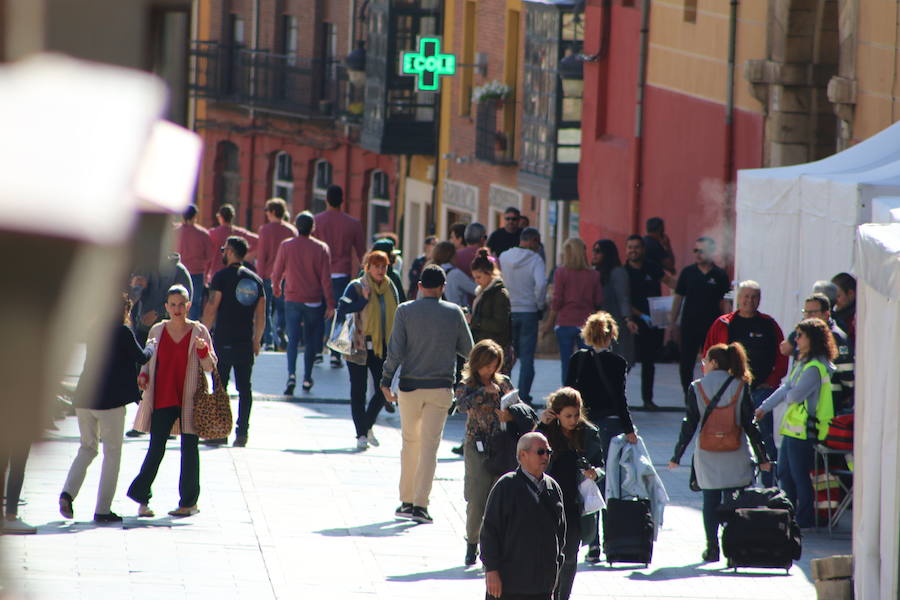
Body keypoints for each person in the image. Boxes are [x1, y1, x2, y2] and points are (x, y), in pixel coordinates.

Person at [380, 265, 474, 524]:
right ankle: (421, 505)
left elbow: (395, 351)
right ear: (443, 288)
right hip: (441, 387)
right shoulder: (454, 313)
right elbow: (470, 351)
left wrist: (386, 380)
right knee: (430, 447)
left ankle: (405, 500)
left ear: (419, 286)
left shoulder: (405, 311)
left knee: (410, 444)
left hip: (409, 387)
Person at [668, 342, 771, 562]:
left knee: (710, 501)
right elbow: (750, 425)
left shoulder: (696, 388)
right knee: (734, 502)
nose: (703, 365)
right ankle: (734, 550)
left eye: (705, 361)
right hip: (736, 452)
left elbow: (690, 425)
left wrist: (677, 455)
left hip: (708, 453)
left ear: (714, 363)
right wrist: (763, 457)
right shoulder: (741, 386)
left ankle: (712, 548)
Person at [59, 294, 156, 524]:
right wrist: (152, 346)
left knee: (87, 448)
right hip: (110, 402)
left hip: (85, 399)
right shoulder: (122, 332)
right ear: (125, 311)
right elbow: (141, 356)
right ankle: (102, 509)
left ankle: (67, 493)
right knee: (112, 454)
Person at [126, 285, 217, 517]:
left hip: (189, 399)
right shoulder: (156, 331)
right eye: (172, 305)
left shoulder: (199, 331)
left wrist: (203, 351)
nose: (177, 309)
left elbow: (210, 366)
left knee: (189, 449)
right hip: (163, 396)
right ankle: (141, 498)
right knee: (156, 448)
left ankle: (188, 503)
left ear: (188, 306)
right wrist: (143, 375)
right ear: (166, 307)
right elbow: (148, 359)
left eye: (181, 305)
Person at [703, 280, 788, 486]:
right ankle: (735, 483)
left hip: (760, 390)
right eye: (745, 297)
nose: (749, 301)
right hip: (730, 391)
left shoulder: (769, 324)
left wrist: (773, 381)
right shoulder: (723, 323)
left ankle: (770, 487)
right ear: (738, 299)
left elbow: (782, 355)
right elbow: (708, 353)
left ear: (760, 300)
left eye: (754, 297)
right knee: (730, 437)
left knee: (764, 437)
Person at [755, 319, 837, 529]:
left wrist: (787, 393)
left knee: (798, 475)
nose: (796, 339)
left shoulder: (815, 367)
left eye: (800, 335)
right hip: (794, 429)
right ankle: (789, 513)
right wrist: (765, 407)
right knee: (784, 473)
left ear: (812, 339)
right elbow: (787, 390)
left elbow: (793, 395)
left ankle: (803, 518)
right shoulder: (804, 363)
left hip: (805, 430)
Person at [535, 387, 605, 600]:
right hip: (547, 502)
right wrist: (541, 426)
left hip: (575, 503)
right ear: (556, 413)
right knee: (548, 555)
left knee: (571, 556)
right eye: (568, 416)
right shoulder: (546, 432)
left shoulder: (588, 432)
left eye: (576, 414)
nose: (573, 420)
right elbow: (526, 456)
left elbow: (600, 465)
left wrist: (595, 473)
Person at [480, 431, 566, 600]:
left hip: (543, 585)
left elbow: (560, 534)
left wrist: (556, 570)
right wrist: (491, 570)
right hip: (509, 585)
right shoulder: (506, 485)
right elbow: (490, 531)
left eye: (548, 452)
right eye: (540, 452)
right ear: (523, 455)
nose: (545, 456)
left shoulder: (553, 487)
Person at [454, 340, 514, 565]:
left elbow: (517, 406)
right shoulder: (467, 384)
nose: (490, 370)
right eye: (486, 365)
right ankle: (472, 543)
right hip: (476, 445)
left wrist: (510, 414)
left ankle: (496, 547)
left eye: (494, 365)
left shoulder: (504, 382)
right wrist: (482, 392)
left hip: (502, 445)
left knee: (500, 498)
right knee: (477, 498)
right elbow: (461, 405)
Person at [202, 236, 265, 447]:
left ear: (229, 251)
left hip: (224, 339)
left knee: (220, 386)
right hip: (245, 340)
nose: (222, 253)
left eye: (223, 250)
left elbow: (211, 309)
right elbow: (261, 315)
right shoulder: (256, 281)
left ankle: (220, 431)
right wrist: (257, 340)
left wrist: (201, 334)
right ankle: (242, 433)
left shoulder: (220, 277)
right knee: (245, 388)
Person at [335, 250, 400, 450]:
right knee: (358, 391)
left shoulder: (390, 288)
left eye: (384, 266)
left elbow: (399, 312)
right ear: (368, 267)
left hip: (383, 348)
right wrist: (363, 300)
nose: (381, 270)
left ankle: (366, 425)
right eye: (377, 266)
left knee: (384, 390)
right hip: (358, 347)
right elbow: (342, 308)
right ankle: (361, 434)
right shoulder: (356, 286)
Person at [272, 211, 335, 394]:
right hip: (314, 300)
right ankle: (307, 377)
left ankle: (291, 374)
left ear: (296, 226)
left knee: (292, 339)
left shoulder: (286, 246)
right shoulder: (321, 248)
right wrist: (330, 303)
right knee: (310, 341)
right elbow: (326, 279)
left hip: (292, 298)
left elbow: (277, 271)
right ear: (313, 228)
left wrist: (276, 287)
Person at [667, 237, 731, 398]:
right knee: (686, 362)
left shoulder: (719, 275)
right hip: (689, 325)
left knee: (714, 361)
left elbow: (725, 302)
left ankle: (711, 394)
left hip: (712, 326)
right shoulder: (688, 273)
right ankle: (688, 395)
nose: (697, 254)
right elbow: (678, 298)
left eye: (701, 251)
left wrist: (728, 324)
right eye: (695, 250)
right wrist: (672, 322)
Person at [314, 185, 365, 368]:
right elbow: (361, 253)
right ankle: (335, 352)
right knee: (340, 313)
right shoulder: (353, 224)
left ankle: (318, 351)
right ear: (342, 200)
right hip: (341, 273)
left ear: (326, 199)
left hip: (319, 274)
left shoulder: (316, 221)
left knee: (319, 312)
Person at [623, 235, 677, 409]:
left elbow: (671, 282)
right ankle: (618, 400)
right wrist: (637, 315)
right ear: (626, 250)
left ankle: (648, 400)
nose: (633, 250)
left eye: (637, 247)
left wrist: (677, 299)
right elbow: (622, 300)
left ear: (643, 249)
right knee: (626, 363)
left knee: (649, 363)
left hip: (653, 323)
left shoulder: (652, 267)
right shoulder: (622, 272)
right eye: (630, 247)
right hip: (630, 323)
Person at [780, 293, 854, 413]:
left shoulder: (837, 337)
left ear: (826, 314)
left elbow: (848, 377)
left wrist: (840, 398)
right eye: (806, 312)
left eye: (813, 313)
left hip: (829, 404)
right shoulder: (802, 335)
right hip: (803, 405)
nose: (808, 317)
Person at [543, 238, 603, 383]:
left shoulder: (561, 272)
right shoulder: (594, 275)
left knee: (567, 364)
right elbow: (598, 301)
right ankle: (586, 396)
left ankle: (568, 397)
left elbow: (557, 300)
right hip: (586, 322)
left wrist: (549, 323)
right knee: (587, 364)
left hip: (565, 322)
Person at [500, 227, 548, 405]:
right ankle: (523, 397)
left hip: (508, 310)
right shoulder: (536, 259)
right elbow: (541, 284)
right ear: (534, 240)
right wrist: (539, 304)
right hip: (528, 311)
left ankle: (505, 395)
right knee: (527, 358)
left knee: (506, 357)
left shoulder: (504, 256)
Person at [257, 198, 297, 350]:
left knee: (266, 310)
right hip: (287, 276)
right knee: (283, 308)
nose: (266, 214)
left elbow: (262, 255)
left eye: (267, 210)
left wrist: (259, 276)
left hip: (267, 275)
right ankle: (280, 330)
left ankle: (268, 341)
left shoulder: (265, 230)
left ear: (273, 211)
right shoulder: (291, 230)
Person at [129, 253, 193, 347]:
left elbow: (185, 301)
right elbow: (132, 296)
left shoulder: (179, 271)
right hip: (143, 329)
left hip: (170, 332)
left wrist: (157, 312)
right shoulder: (143, 268)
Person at [468, 248, 513, 374]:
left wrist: (474, 320)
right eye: (474, 278)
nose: (476, 281)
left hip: (496, 350)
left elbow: (499, 325)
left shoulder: (499, 294)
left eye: (479, 277)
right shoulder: (483, 292)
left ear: (489, 273)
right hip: (485, 349)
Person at [591, 239, 633, 364]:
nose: (594, 254)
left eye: (598, 251)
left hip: (615, 322)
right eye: (593, 250)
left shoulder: (617, 272)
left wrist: (628, 319)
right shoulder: (595, 273)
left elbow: (623, 298)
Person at [175, 204, 215, 320]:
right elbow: (209, 255)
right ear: (195, 216)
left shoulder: (175, 232)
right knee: (194, 303)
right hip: (196, 272)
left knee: (175, 301)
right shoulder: (203, 234)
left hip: (177, 271)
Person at [207, 203, 258, 275]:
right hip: (235, 273)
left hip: (215, 273)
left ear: (220, 217)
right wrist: (245, 256)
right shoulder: (239, 232)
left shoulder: (211, 233)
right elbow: (258, 241)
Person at [430, 240, 476, 307]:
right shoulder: (456, 274)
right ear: (453, 256)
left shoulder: (429, 272)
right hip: (454, 313)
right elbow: (476, 289)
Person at [370, 237, 407, 303]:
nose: (395, 258)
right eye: (392, 255)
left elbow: (401, 301)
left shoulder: (394, 275)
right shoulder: (365, 275)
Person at [407, 235, 437, 299]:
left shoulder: (438, 262)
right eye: (433, 244)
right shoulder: (418, 261)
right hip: (417, 293)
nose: (435, 246)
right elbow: (413, 277)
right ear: (426, 246)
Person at [831, 272, 856, 345]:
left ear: (850, 294)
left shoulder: (855, 319)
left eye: (838, 296)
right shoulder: (833, 316)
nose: (834, 301)